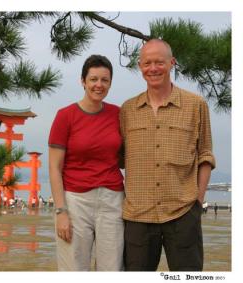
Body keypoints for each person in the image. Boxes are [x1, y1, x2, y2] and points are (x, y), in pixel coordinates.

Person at [120, 39, 216, 271]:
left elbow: (205, 154)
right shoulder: (127, 110)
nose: (153, 68)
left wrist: (198, 200)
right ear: (140, 66)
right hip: (137, 215)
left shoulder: (196, 105)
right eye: (147, 63)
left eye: (159, 62)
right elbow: (117, 157)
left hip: (183, 212)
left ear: (171, 63)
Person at [48, 54, 124, 271]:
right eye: (93, 79)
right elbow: (54, 168)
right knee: (74, 267)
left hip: (112, 200)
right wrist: (61, 211)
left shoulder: (118, 114)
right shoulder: (65, 116)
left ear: (110, 83)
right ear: (83, 81)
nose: (99, 85)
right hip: (75, 201)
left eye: (104, 80)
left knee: (112, 268)